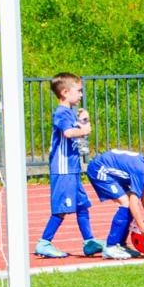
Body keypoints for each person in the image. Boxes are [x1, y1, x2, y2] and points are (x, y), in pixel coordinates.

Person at [34, 72, 101, 259]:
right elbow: (68, 133)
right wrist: (84, 129)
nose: (81, 94)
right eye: (78, 91)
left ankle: (89, 241)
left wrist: (84, 121)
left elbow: (78, 136)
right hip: (63, 168)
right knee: (62, 209)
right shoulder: (61, 112)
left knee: (82, 206)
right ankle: (44, 242)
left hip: (72, 168)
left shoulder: (70, 113)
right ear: (64, 92)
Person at [85, 144, 144, 260]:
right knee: (126, 203)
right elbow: (133, 202)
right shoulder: (142, 171)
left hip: (112, 171)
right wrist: (143, 228)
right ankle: (111, 247)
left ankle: (120, 245)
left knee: (128, 205)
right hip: (99, 169)